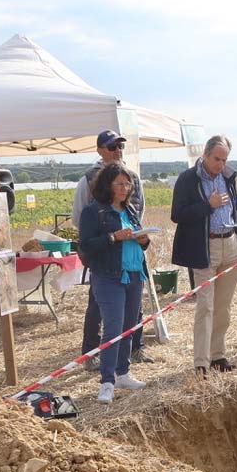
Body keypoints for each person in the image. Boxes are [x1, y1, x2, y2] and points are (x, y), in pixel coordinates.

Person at [170, 135, 237, 377]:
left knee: (223, 307)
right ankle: (201, 363)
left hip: (231, 246)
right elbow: (177, 214)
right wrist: (208, 205)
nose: (220, 164)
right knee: (206, 306)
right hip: (205, 247)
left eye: (224, 160)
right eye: (216, 159)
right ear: (204, 154)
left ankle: (217, 356)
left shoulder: (228, 177)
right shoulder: (187, 180)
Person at [72, 130, 150, 368]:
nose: (117, 151)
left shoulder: (133, 176)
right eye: (111, 146)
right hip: (104, 257)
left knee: (133, 309)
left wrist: (135, 236)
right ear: (99, 150)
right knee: (97, 306)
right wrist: (109, 236)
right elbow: (79, 217)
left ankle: (135, 349)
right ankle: (91, 353)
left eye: (120, 147)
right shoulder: (87, 180)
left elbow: (138, 209)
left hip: (130, 256)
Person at [79, 163, 152, 404]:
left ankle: (123, 373)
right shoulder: (93, 212)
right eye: (119, 183)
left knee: (129, 326)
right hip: (109, 276)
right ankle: (107, 381)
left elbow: (141, 242)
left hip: (133, 274)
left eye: (127, 184)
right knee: (113, 328)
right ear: (107, 185)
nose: (125, 188)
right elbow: (86, 245)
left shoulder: (130, 209)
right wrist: (113, 237)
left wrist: (143, 240)